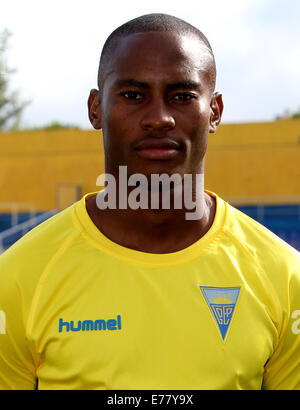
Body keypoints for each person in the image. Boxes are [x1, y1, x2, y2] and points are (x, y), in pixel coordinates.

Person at [0, 13, 299, 390]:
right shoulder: (19, 278)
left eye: (182, 96)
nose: (159, 118)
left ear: (215, 112)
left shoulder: (284, 277)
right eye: (132, 95)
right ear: (96, 108)